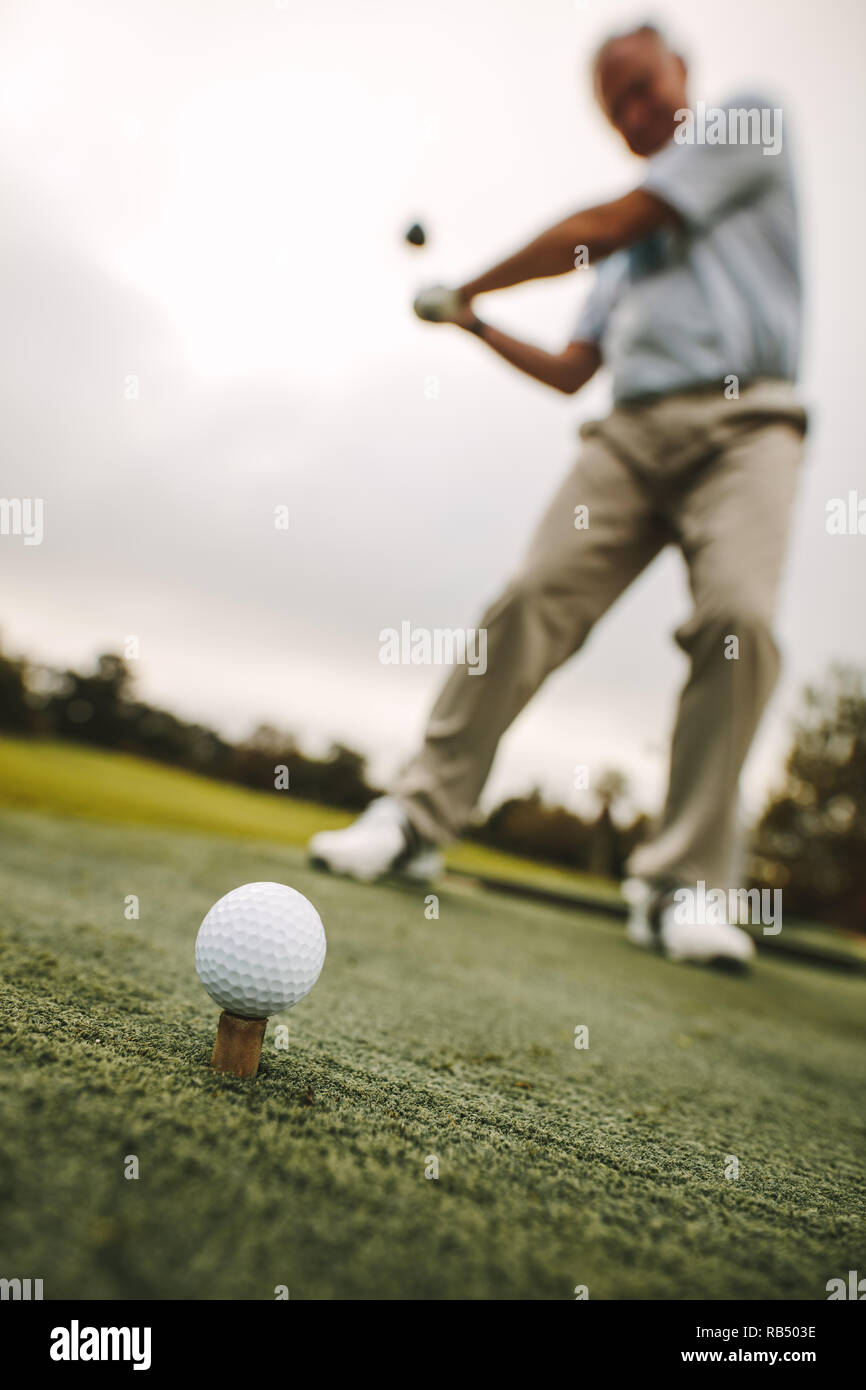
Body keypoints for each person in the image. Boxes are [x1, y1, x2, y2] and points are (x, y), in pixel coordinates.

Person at [309, 23, 807, 968]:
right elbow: (575, 369)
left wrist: (467, 281)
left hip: (750, 428)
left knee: (738, 619)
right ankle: (416, 820)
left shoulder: (749, 124)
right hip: (627, 437)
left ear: (683, 74)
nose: (633, 111)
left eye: (642, 86)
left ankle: (684, 887)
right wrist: (474, 324)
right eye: (614, 103)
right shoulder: (621, 268)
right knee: (532, 597)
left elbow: (605, 224)